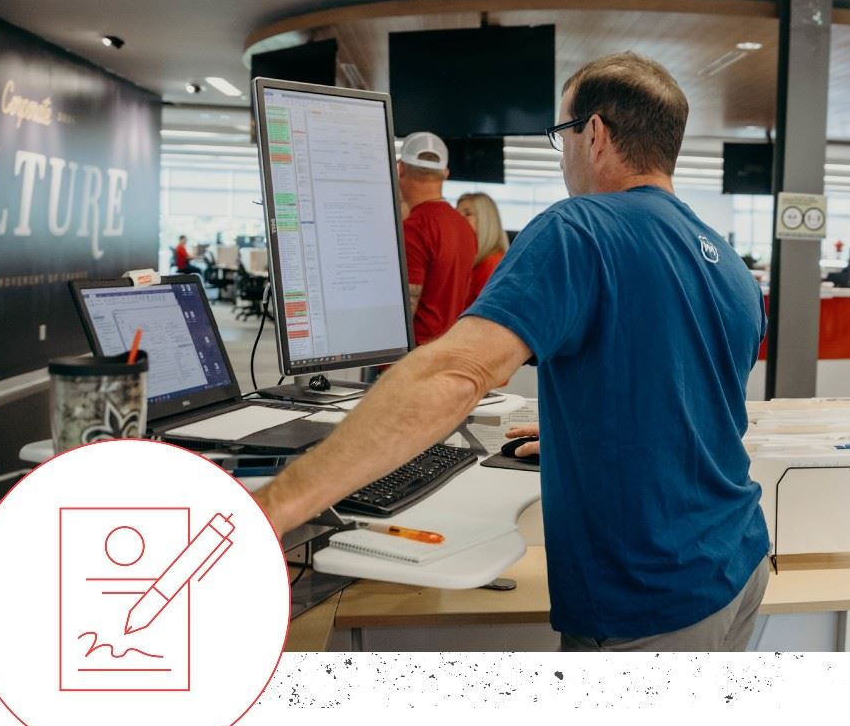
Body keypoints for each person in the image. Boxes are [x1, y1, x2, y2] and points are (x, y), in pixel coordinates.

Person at [252, 52, 769, 651]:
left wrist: (274, 506)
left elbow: (457, 370)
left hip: (652, 596)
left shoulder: (580, 228)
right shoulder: (727, 262)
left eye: (562, 134)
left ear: (594, 134)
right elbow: (696, 400)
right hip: (740, 558)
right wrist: (588, 435)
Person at [397, 132, 478, 345]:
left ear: (400, 168)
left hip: (412, 361)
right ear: (445, 173)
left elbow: (404, 313)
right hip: (444, 352)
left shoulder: (414, 229)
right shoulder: (464, 228)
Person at [456, 191, 509, 306]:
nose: (458, 220)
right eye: (457, 214)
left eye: (468, 214)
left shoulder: (492, 265)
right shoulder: (476, 262)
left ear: (486, 221)